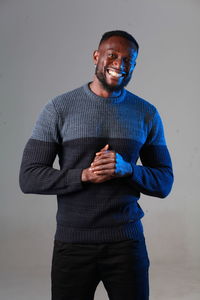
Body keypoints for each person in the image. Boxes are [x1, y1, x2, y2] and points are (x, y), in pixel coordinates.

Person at [19, 30, 174, 300]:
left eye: (128, 60)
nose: (119, 65)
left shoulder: (146, 113)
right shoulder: (58, 108)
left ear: (134, 66)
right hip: (73, 243)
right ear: (96, 57)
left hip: (127, 244)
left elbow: (164, 182)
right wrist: (85, 175)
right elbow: (29, 177)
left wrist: (128, 169)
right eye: (112, 56)